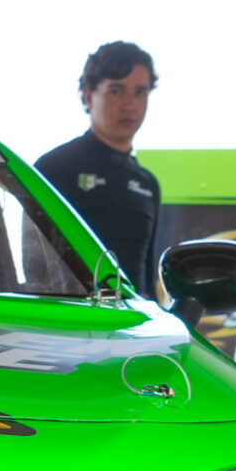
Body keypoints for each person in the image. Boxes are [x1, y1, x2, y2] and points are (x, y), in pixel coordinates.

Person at [31, 42, 163, 292]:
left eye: (140, 92)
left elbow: (146, 281)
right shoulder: (55, 167)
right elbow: (35, 268)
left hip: (131, 324)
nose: (129, 104)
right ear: (88, 95)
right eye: (116, 91)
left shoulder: (147, 183)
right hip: (71, 323)